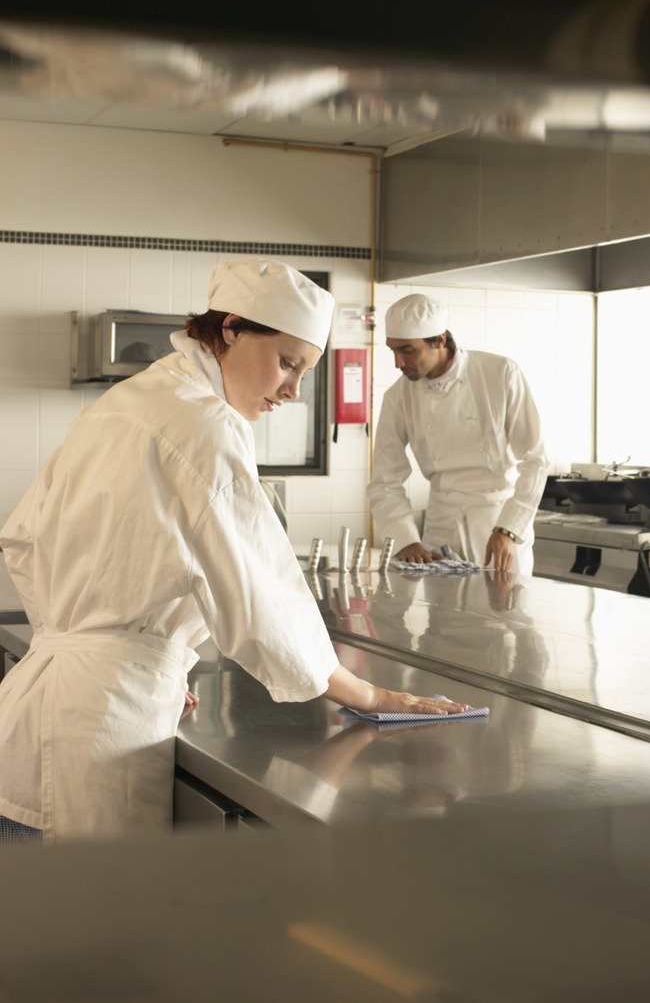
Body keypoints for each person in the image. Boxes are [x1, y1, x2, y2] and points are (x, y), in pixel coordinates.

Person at [0, 260, 467, 843]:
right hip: (103, 735)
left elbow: (21, 539)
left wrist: (138, 656)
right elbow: (263, 598)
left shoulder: (128, 400)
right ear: (229, 329)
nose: (294, 391)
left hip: (31, 714)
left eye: (306, 372)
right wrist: (370, 694)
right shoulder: (205, 424)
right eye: (288, 363)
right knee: (99, 926)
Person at [367, 293, 549, 574]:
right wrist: (406, 540)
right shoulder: (398, 397)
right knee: (444, 617)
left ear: (439, 341)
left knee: (503, 616)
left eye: (407, 350)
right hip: (441, 528)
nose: (397, 362)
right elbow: (384, 481)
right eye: (393, 350)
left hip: (498, 526)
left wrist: (509, 529)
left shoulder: (500, 374)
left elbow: (535, 460)